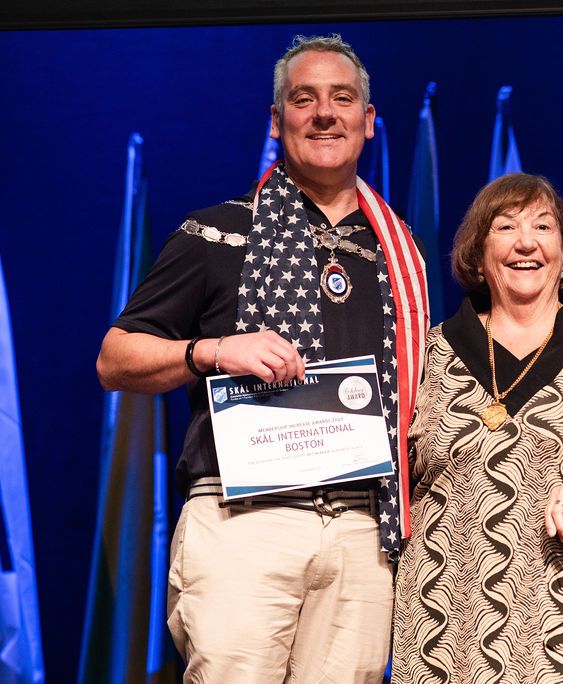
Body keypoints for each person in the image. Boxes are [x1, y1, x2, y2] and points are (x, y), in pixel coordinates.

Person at [96, 34, 427, 682]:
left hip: (361, 530)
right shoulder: (216, 232)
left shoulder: (398, 252)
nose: (324, 113)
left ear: (368, 120)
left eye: (342, 99)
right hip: (244, 520)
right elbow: (115, 358)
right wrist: (214, 350)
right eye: (304, 99)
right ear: (276, 121)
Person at [392, 173, 563, 683]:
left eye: (543, 226)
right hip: (447, 632)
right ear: (478, 255)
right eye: (505, 227)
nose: (526, 243)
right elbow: (392, 487)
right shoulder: (428, 354)